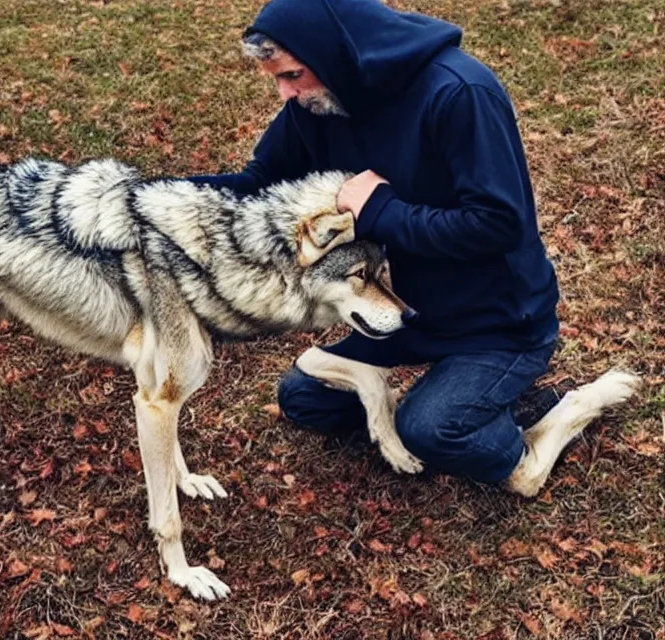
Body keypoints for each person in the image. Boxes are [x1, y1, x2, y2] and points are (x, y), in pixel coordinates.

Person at [188, 0, 562, 487]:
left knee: (430, 430)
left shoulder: (459, 93)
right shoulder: (319, 101)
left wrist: (380, 210)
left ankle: (547, 416)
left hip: (497, 322)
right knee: (304, 398)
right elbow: (260, 181)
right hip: (403, 312)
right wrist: (153, 200)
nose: (286, 93)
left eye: (294, 74)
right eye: (278, 78)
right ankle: (454, 396)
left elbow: (497, 224)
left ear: (335, 54)